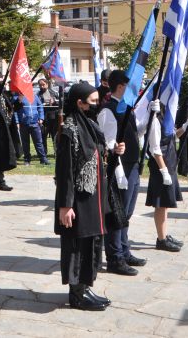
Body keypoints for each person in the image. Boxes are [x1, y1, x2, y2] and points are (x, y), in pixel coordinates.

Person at [55, 82, 111, 311]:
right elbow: (65, 171)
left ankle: (86, 286)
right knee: (77, 245)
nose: (97, 105)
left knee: (91, 244)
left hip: (93, 198)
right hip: (78, 200)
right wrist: (65, 206)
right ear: (79, 103)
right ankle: (76, 294)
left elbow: (97, 153)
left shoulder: (88, 124)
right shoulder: (69, 130)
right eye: (93, 102)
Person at [97, 70, 145, 277]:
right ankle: (115, 257)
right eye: (129, 86)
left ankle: (124, 250)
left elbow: (133, 132)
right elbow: (107, 143)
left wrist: (150, 117)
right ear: (120, 87)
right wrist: (117, 171)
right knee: (117, 214)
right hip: (120, 168)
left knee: (127, 213)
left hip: (132, 164)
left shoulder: (126, 108)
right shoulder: (108, 110)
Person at [143, 99, 184, 252]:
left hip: (170, 164)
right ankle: (161, 239)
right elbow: (155, 148)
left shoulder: (166, 119)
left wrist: (185, 127)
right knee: (161, 204)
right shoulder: (155, 120)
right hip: (161, 166)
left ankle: (164, 235)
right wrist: (163, 170)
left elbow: (173, 137)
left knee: (166, 203)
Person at [15, 89, 49, 166]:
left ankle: (43, 159)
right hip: (23, 124)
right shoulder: (17, 97)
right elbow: (15, 111)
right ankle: (27, 160)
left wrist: (41, 118)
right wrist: (17, 121)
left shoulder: (35, 96)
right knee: (25, 143)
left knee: (39, 142)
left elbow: (40, 106)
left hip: (35, 123)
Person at [37, 78, 59, 155]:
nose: (42, 86)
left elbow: (59, 104)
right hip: (44, 119)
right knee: (43, 136)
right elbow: (37, 106)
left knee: (54, 136)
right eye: (40, 85)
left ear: (47, 84)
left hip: (53, 118)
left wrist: (54, 102)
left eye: (43, 85)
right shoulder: (38, 95)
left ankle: (56, 152)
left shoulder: (54, 93)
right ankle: (44, 153)